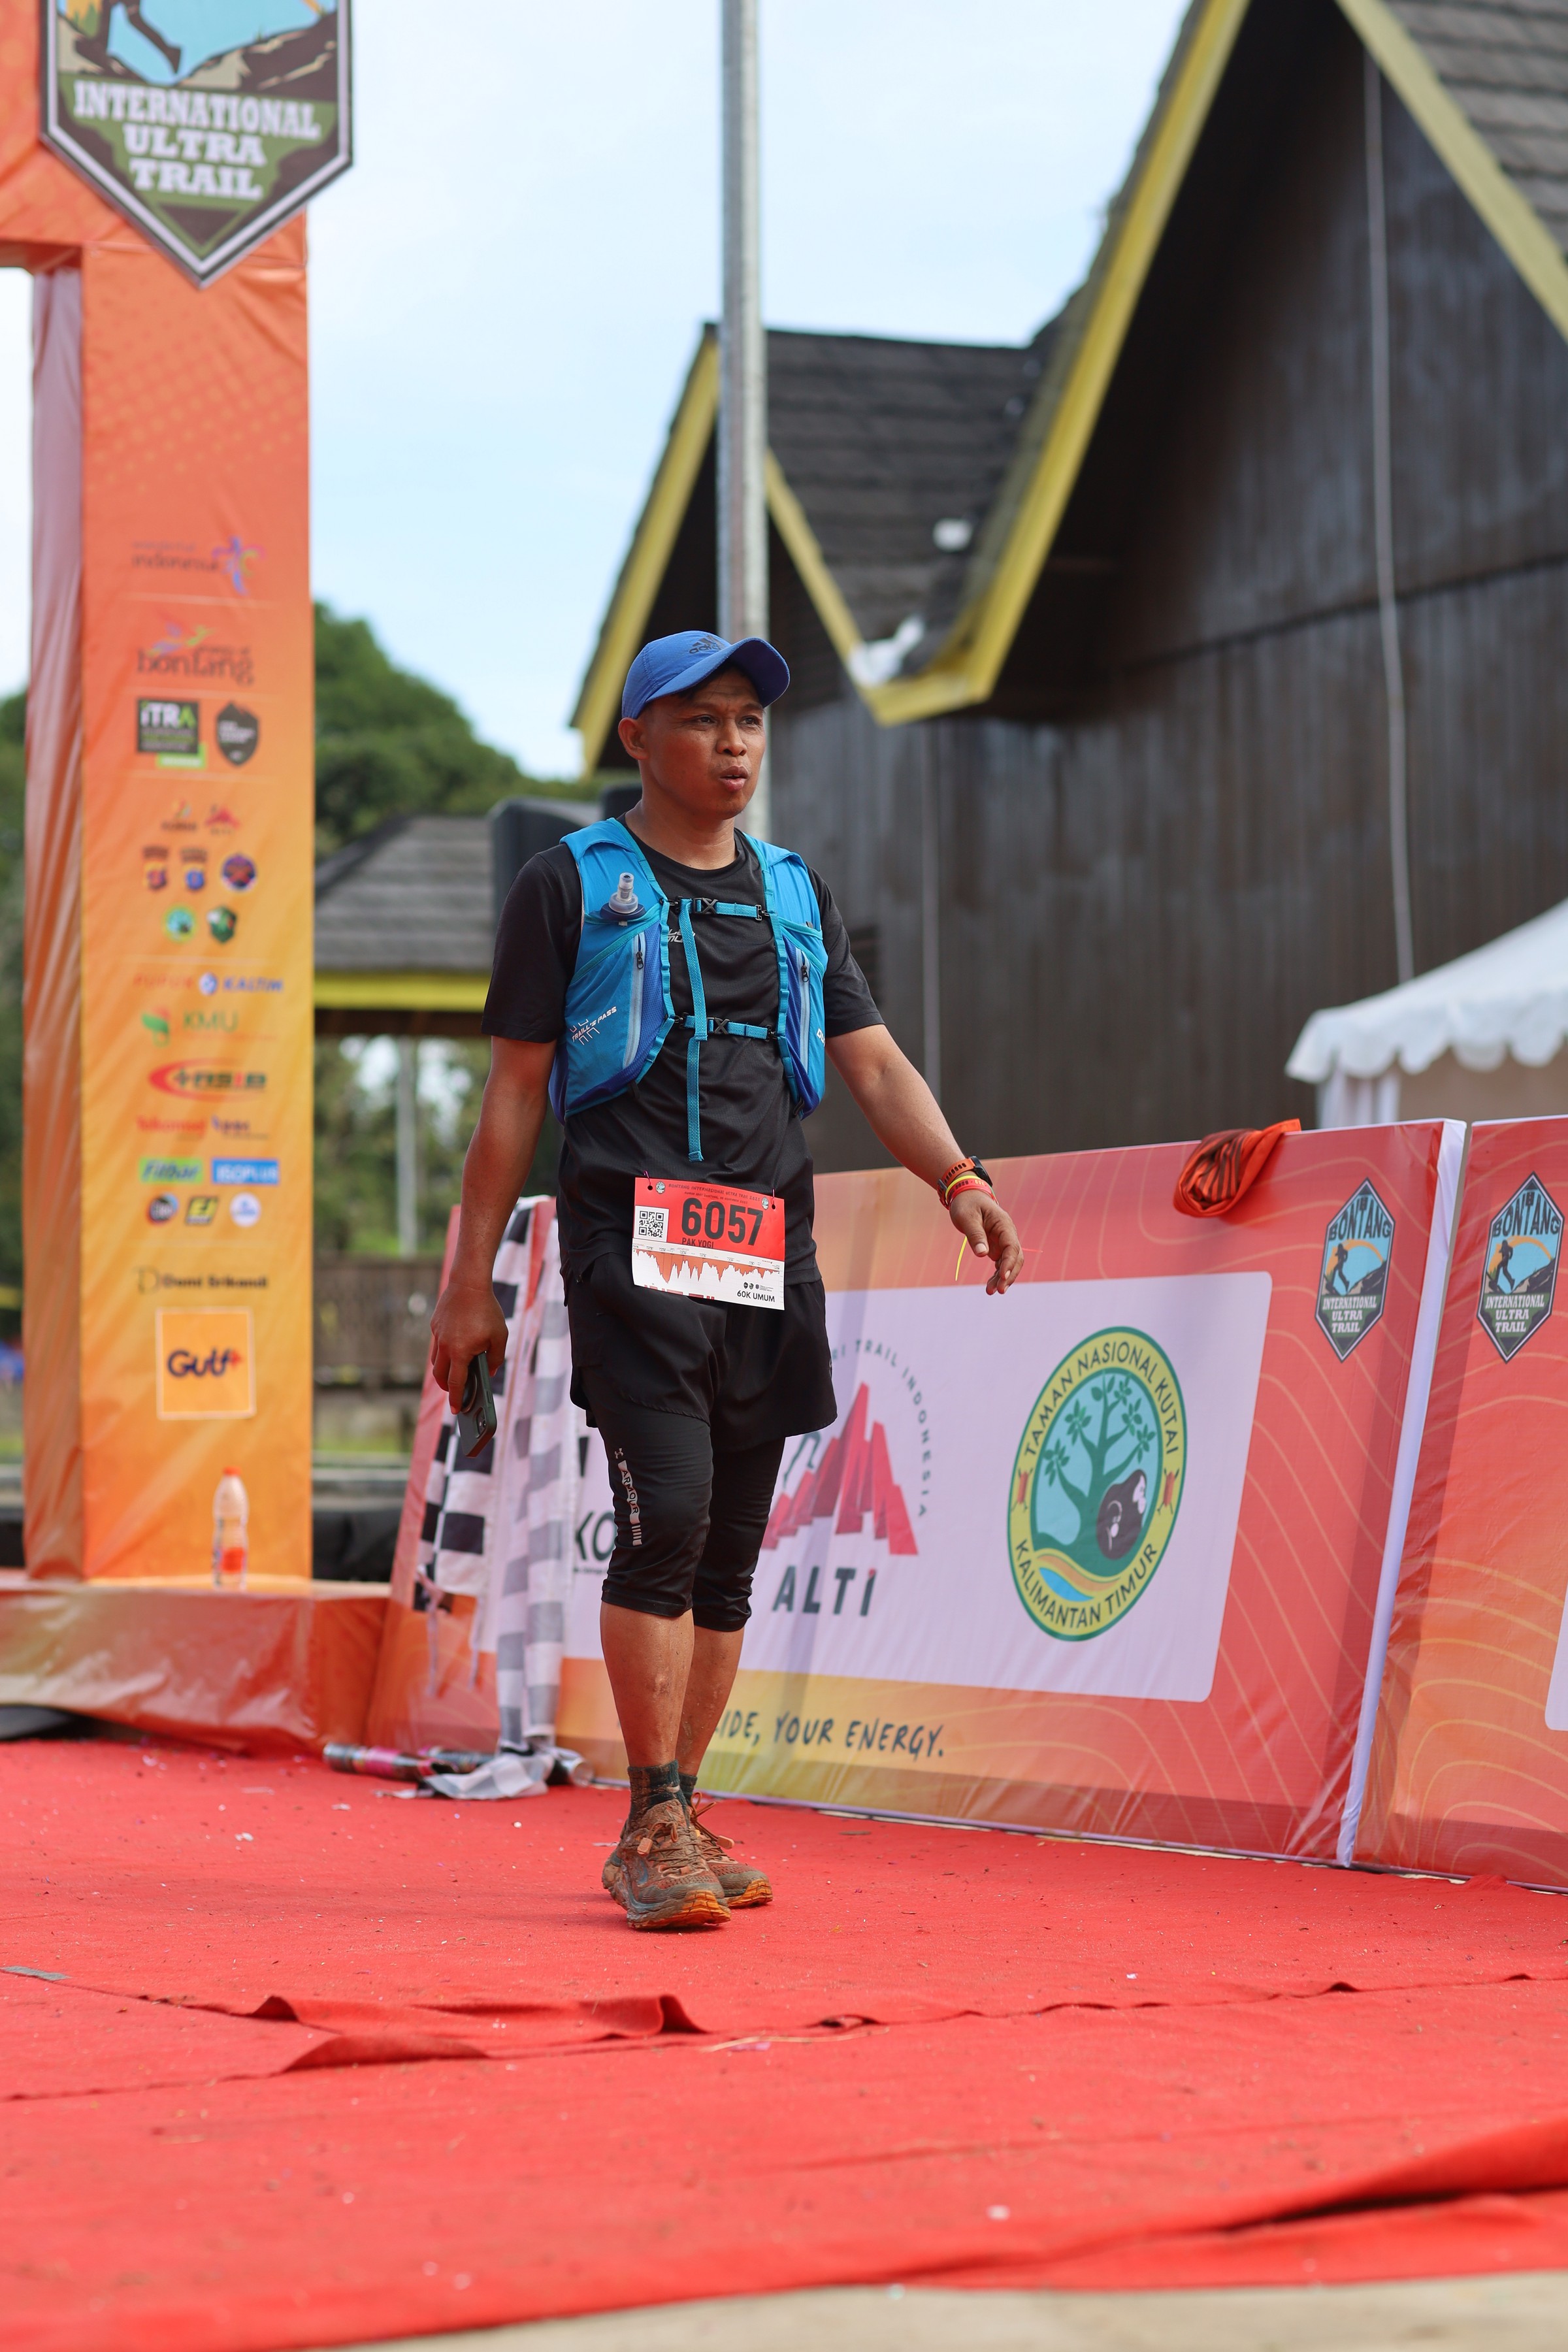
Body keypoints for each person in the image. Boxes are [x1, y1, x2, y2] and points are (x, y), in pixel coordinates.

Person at [430, 630, 1021, 1931]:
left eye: (750, 718)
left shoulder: (797, 893)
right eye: (702, 718)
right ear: (638, 738)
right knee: (670, 1516)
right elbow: (513, 1096)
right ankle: (647, 1822)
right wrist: (468, 1285)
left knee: (732, 1556)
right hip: (625, 1248)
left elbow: (874, 1063)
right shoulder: (568, 885)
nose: (734, 742)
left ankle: (683, 1806)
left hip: (764, 1250)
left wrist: (958, 1177)